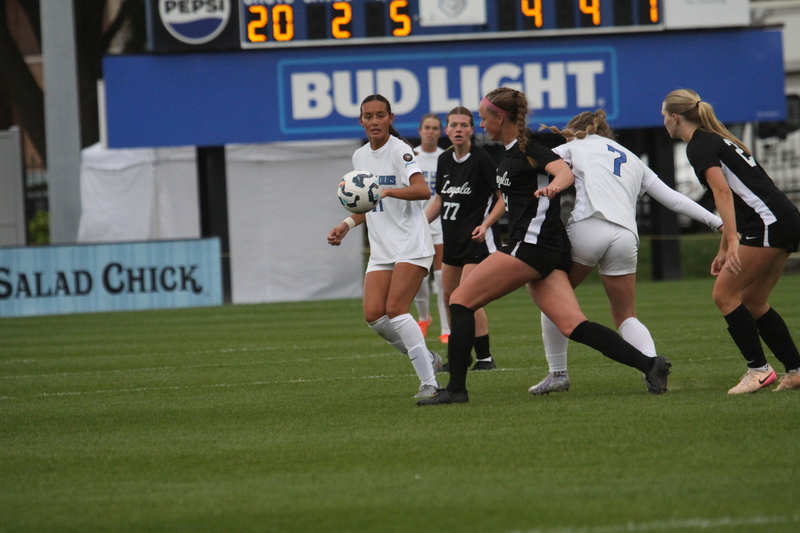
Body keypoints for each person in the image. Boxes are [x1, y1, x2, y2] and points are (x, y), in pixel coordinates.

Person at [417, 87, 671, 406]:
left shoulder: (531, 149)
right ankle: (651, 365)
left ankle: (455, 389)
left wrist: (552, 187)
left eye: (483, 119)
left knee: (460, 300)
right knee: (572, 324)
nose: (480, 125)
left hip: (532, 245)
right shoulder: (512, 151)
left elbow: (563, 172)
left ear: (501, 118)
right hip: (547, 248)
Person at [529, 109, 724, 395]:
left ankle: (558, 373)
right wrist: (717, 221)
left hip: (589, 225)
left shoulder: (570, 147)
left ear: (574, 131)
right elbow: (674, 199)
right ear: (607, 133)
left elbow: (530, 167)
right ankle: (652, 368)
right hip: (625, 236)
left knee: (553, 299)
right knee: (626, 315)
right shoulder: (630, 157)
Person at [662, 89, 800, 393]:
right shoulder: (717, 139)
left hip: (768, 222)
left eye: (664, 117)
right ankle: (796, 369)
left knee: (724, 295)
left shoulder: (699, 145)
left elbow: (723, 193)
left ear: (675, 117)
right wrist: (725, 246)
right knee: (753, 302)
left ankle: (759, 371)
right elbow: (740, 195)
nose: (664, 124)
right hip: (783, 219)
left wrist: (734, 241)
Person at [328, 94, 443, 399]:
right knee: (374, 316)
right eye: (369, 116)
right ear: (361, 121)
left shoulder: (400, 149)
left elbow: (422, 190)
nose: (375, 121)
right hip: (382, 249)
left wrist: (388, 190)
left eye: (381, 115)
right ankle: (427, 358)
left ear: (391, 118)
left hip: (411, 243)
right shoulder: (360, 157)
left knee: (395, 310)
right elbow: (364, 203)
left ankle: (430, 383)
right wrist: (347, 225)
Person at [425, 106, 506, 371]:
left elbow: (502, 199)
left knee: (467, 298)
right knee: (450, 298)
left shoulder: (481, 159)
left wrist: (486, 224)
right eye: (453, 125)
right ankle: (459, 356)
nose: (458, 129)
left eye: (463, 125)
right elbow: (440, 198)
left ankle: (484, 358)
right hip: (453, 240)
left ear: (472, 129)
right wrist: (420, 224)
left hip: (477, 241)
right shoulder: (445, 159)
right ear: (446, 130)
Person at [412, 113, 449, 343]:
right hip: (416, 224)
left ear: (440, 131)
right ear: (420, 130)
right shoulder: (410, 157)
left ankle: (446, 328)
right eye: (427, 127)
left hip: (441, 223)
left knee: (442, 277)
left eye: (435, 128)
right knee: (419, 278)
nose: (431, 131)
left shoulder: (445, 157)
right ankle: (423, 317)